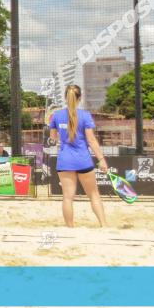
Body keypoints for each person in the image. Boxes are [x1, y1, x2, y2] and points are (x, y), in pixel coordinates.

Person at [49, 85, 107, 228]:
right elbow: (92, 140)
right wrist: (101, 159)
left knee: (68, 197)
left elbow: (53, 138)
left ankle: (70, 227)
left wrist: (61, 138)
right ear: (80, 98)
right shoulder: (85, 115)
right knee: (94, 195)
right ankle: (104, 225)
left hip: (65, 160)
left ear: (65, 98)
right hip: (83, 160)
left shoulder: (56, 115)